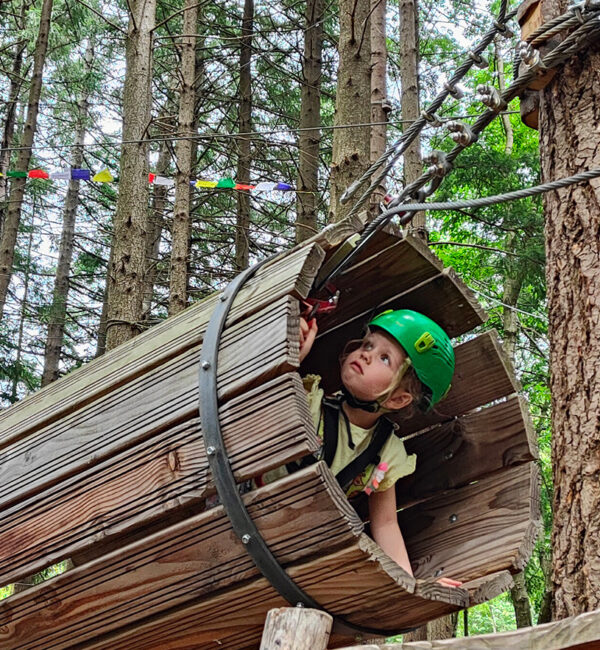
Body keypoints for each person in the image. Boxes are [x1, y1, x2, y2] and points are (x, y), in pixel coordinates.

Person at [296, 308, 461, 587]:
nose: (366, 354)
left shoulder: (386, 453)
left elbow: (385, 524)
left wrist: (409, 586)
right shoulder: (309, 401)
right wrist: (295, 356)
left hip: (302, 547)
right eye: (367, 344)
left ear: (399, 400)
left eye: (384, 358)